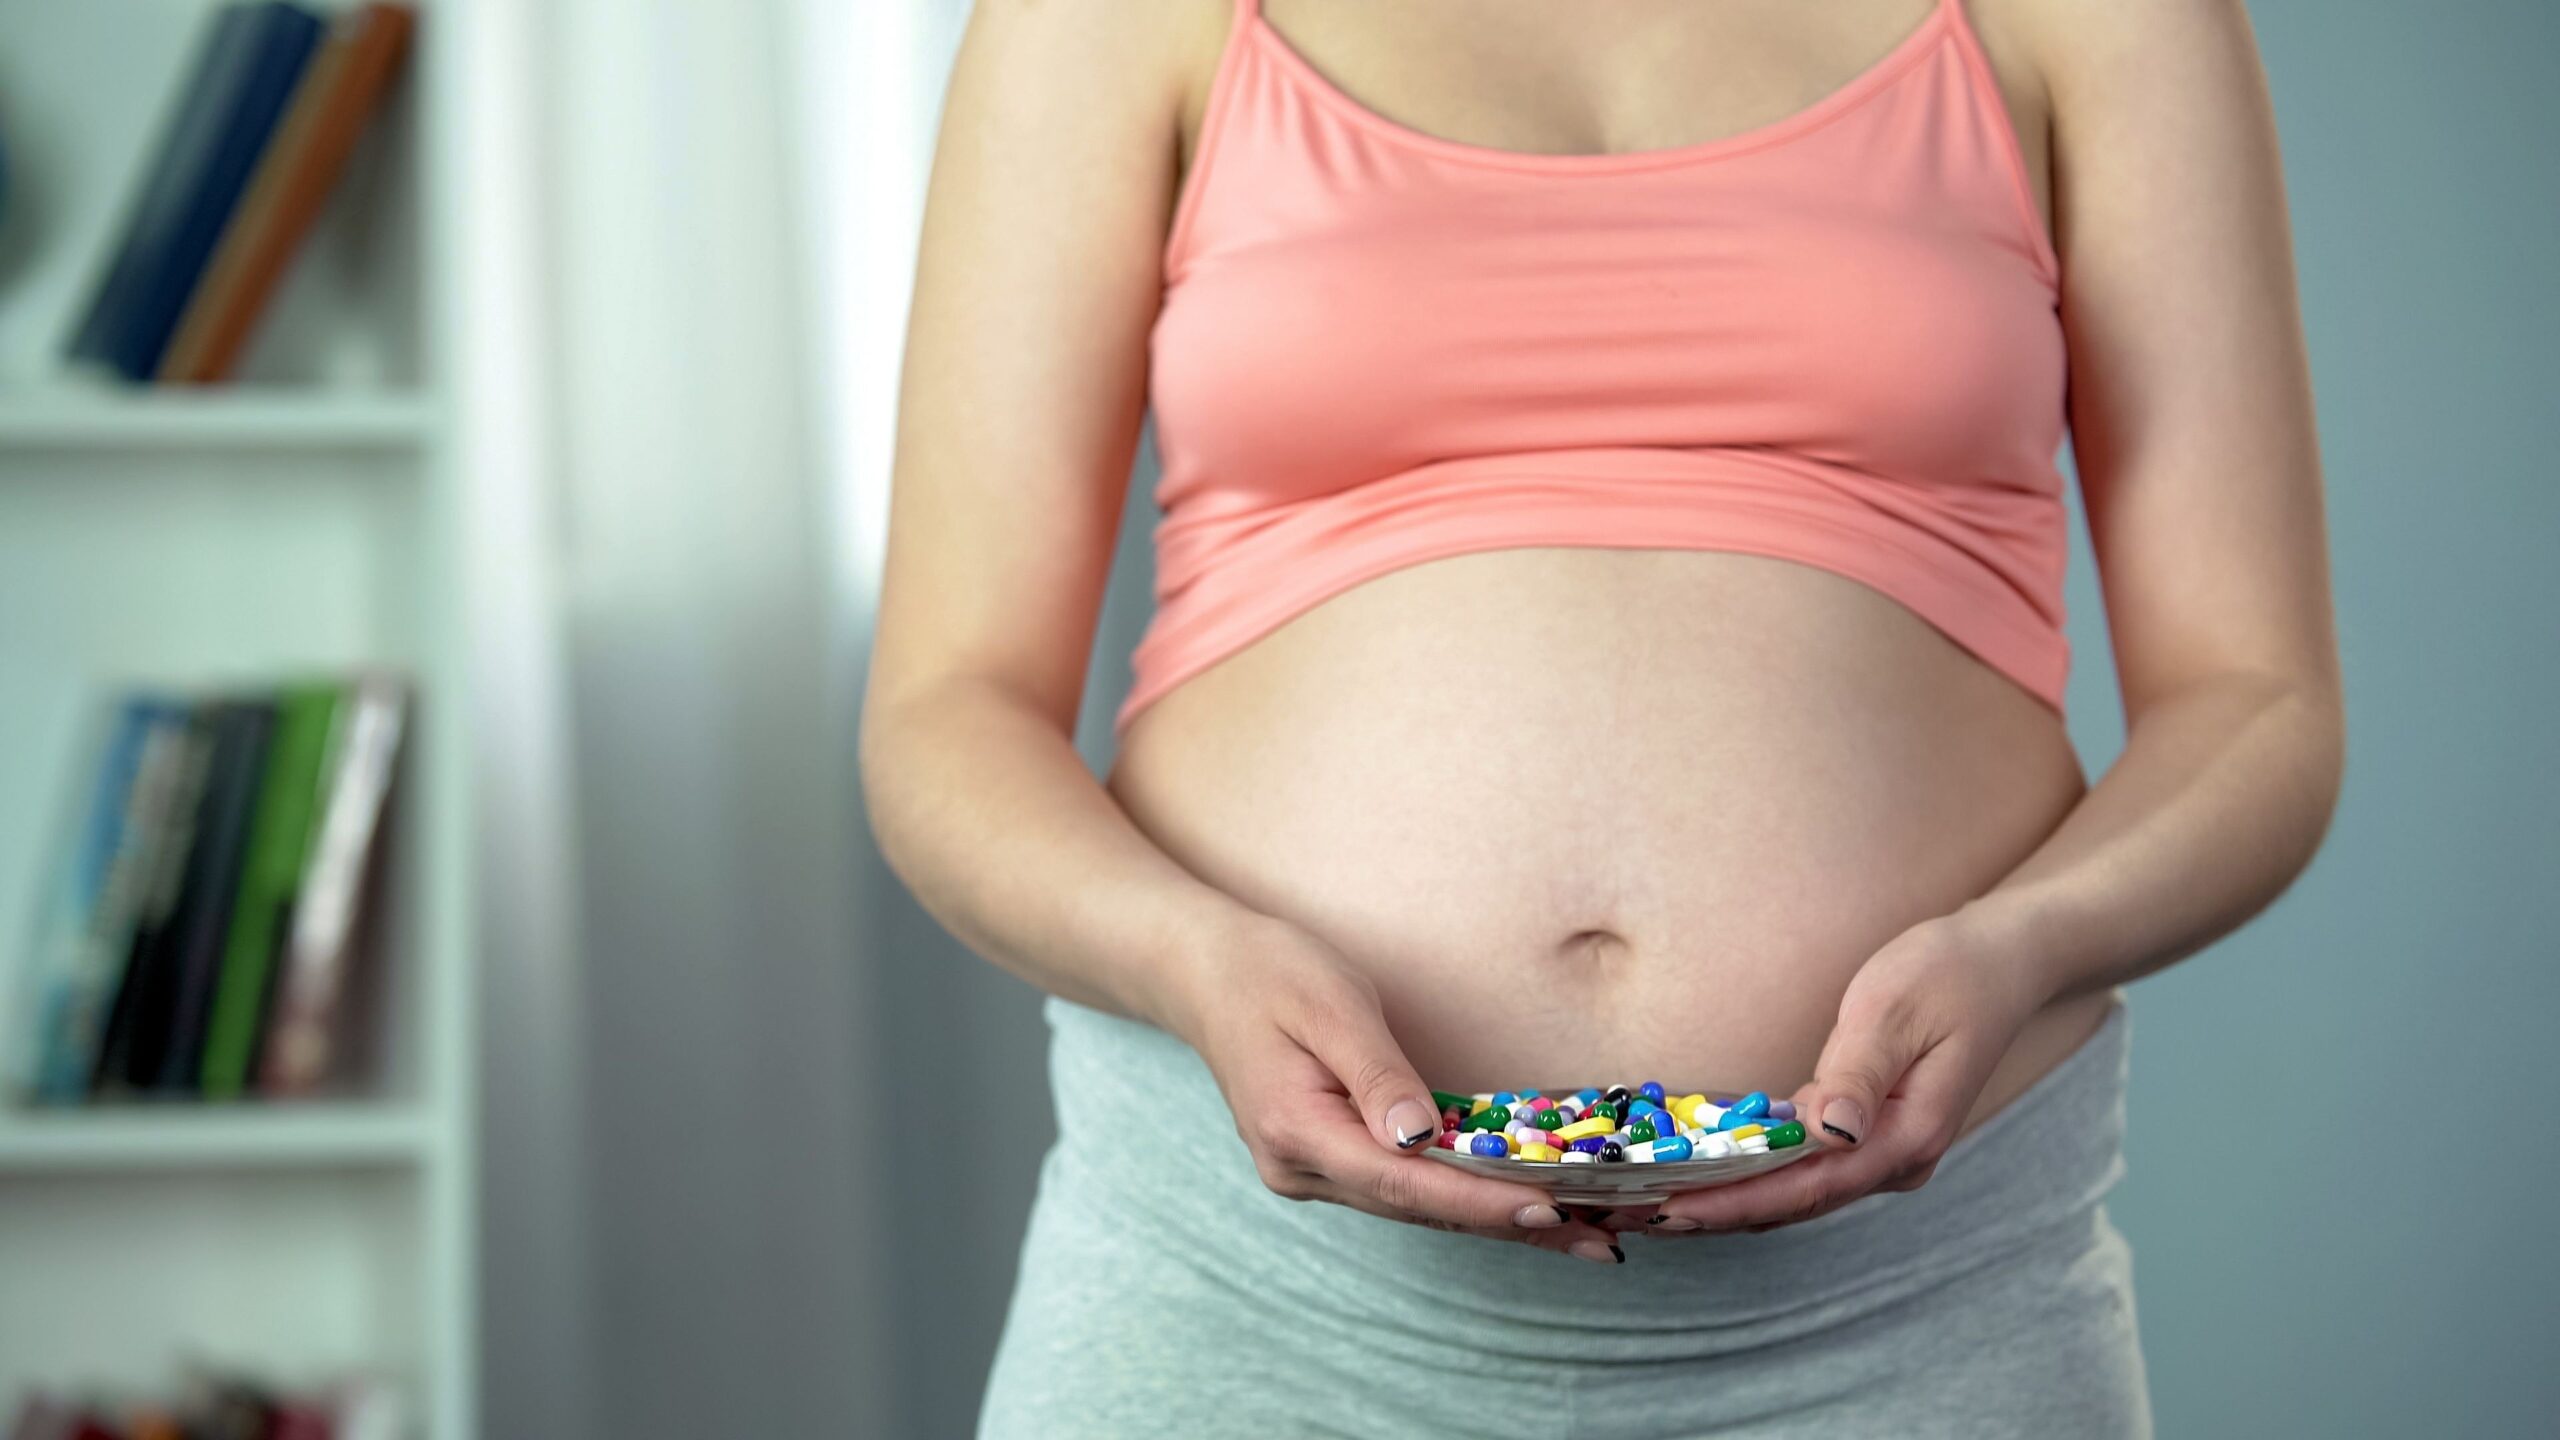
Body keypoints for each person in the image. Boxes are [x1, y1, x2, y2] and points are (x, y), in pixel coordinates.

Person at [860, 0, 2341, 1432]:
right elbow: (950, 709)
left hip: (1905, 1311)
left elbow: (2255, 700)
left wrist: (2023, 944)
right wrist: (1189, 957)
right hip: (1249, 1291)